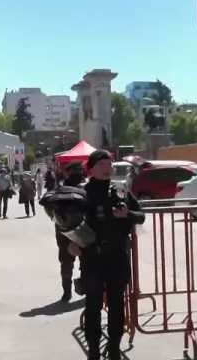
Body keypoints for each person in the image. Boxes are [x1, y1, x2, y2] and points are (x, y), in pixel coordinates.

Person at [67, 150, 145, 360]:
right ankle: (93, 350)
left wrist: (127, 214)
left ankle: (113, 348)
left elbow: (141, 216)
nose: (107, 168)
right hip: (92, 258)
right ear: (91, 168)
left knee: (117, 305)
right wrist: (70, 246)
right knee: (93, 305)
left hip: (116, 258)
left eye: (109, 164)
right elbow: (66, 224)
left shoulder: (120, 190)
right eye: (102, 164)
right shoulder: (81, 193)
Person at [41, 161, 86, 303]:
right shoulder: (83, 189)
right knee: (79, 261)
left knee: (68, 263)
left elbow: (47, 206)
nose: (78, 174)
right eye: (76, 171)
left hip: (66, 232)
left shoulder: (59, 189)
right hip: (79, 232)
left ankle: (68, 292)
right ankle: (73, 290)